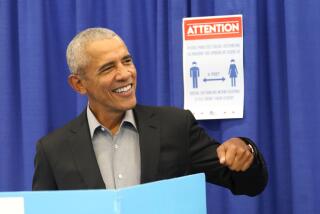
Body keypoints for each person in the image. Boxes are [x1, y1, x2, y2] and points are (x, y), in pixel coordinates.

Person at [32, 27, 268, 196]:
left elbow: (247, 184)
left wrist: (244, 152)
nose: (125, 74)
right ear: (79, 84)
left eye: (127, 61)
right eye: (108, 68)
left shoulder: (176, 126)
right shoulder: (53, 149)